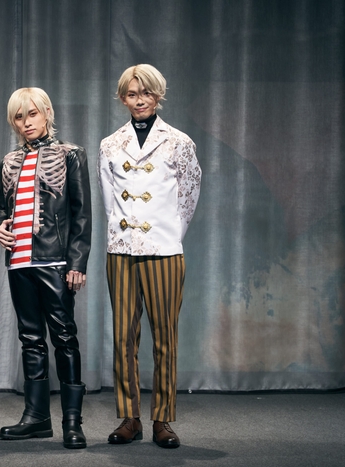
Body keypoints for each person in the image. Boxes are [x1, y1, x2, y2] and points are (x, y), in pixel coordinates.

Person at [98, 64, 201, 448]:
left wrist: (168, 235)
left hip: (164, 250)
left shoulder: (179, 142)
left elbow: (189, 196)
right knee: (123, 336)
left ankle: (162, 420)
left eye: (146, 93)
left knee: (165, 338)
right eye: (131, 94)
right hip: (121, 250)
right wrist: (123, 233)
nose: (139, 100)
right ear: (122, 98)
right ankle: (130, 418)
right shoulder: (110, 144)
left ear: (158, 95)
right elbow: (109, 199)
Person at [0, 88, 92, 449]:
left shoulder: (71, 155)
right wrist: (0, 227)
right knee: (30, 338)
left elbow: (82, 213)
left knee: (64, 336)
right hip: (19, 261)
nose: (26, 123)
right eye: (19, 117)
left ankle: (72, 422)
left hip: (55, 261)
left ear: (47, 113)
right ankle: (36, 418)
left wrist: (77, 262)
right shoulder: (8, 161)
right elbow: (2, 208)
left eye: (32, 114)